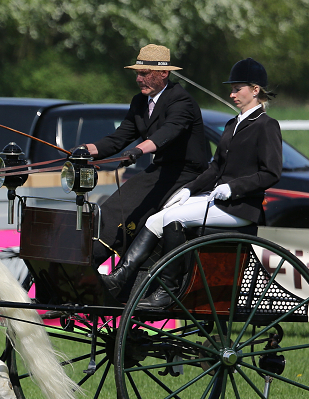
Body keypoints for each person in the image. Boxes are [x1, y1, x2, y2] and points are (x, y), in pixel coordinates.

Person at [99, 57, 282, 308]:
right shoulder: (232, 124)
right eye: (232, 89)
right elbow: (215, 167)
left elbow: (271, 173)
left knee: (174, 219)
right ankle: (121, 278)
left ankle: (167, 291)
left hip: (241, 208)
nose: (232, 94)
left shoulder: (266, 125)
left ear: (255, 90)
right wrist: (189, 189)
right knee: (157, 218)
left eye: (237, 89)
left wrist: (233, 188)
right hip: (218, 201)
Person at [82, 44, 211, 266]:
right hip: (161, 169)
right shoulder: (139, 102)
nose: (139, 79)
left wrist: (138, 150)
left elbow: (168, 132)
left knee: (129, 207)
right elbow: (119, 137)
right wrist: (86, 151)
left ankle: (112, 266)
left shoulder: (181, 100)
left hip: (187, 173)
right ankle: (87, 259)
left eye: (144, 74)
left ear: (164, 73)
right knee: (113, 206)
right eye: (137, 74)